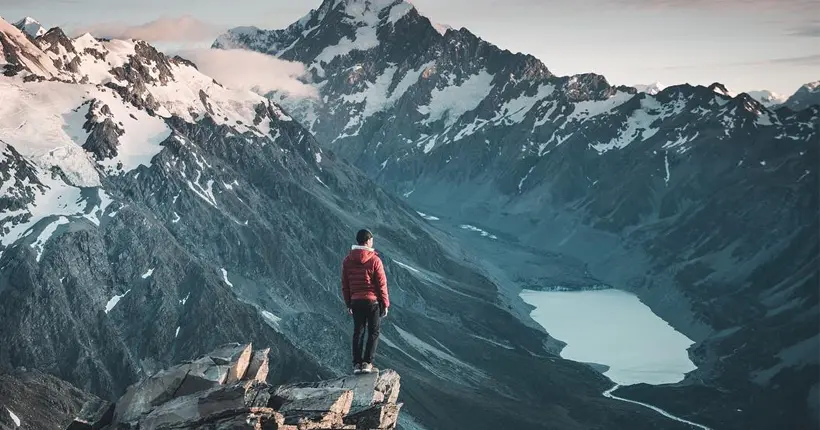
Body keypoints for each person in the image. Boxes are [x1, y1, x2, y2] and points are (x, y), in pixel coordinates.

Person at [341, 229, 390, 374]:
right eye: (372, 240)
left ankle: (356, 364)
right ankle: (367, 363)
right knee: (373, 332)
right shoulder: (375, 260)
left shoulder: (347, 260)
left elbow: (345, 284)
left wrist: (348, 303)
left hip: (356, 301)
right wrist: (385, 303)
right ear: (368, 241)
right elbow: (381, 284)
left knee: (358, 332)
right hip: (372, 302)